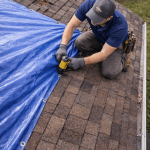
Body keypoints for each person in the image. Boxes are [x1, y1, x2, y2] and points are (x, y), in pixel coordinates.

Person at [55, 0, 129, 79]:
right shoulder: (88, 4)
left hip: (115, 46)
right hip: (99, 36)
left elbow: (103, 54)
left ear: (108, 18)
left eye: (98, 18)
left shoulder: (120, 26)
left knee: (108, 72)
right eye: (93, 15)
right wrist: (63, 46)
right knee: (79, 43)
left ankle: (124, 60)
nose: (93, 20)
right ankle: (99, 55)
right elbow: (72, 25)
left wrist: (81, 62)